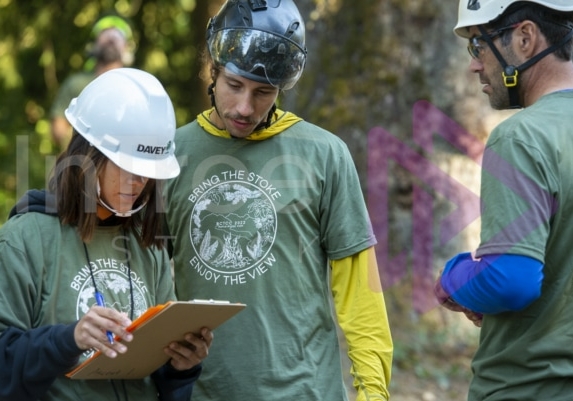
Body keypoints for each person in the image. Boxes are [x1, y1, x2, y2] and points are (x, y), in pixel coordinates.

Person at [164, 1, 393, 400]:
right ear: (212, 70)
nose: (244, 108)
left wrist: (373, 392)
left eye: (263, 92)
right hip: (201, 391)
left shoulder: (324, 154)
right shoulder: (171, 155)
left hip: (306, 391)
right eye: (234, 85)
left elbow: (360, 287)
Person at [0, 68, 213, 401]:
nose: (138, 181)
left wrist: (180, 369)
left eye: (147, 171)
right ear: (88, 155)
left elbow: (161, 381)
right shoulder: (25, 239)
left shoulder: (149, 245)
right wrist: (69, 339)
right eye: (127, 166)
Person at [434, 1, 573, 400]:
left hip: (528, 388)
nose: (475, 65)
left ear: (525, 38)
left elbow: (509, 280)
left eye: (479, 44)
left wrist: (451, 280)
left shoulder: (522, 137)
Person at [49, 15, 135, 150]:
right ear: (94, 44)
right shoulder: (76, 83)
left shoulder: (135, 87)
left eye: (117, 36)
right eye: (105, 34)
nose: (111, 38)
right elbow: (58, 128)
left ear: (126, 47)